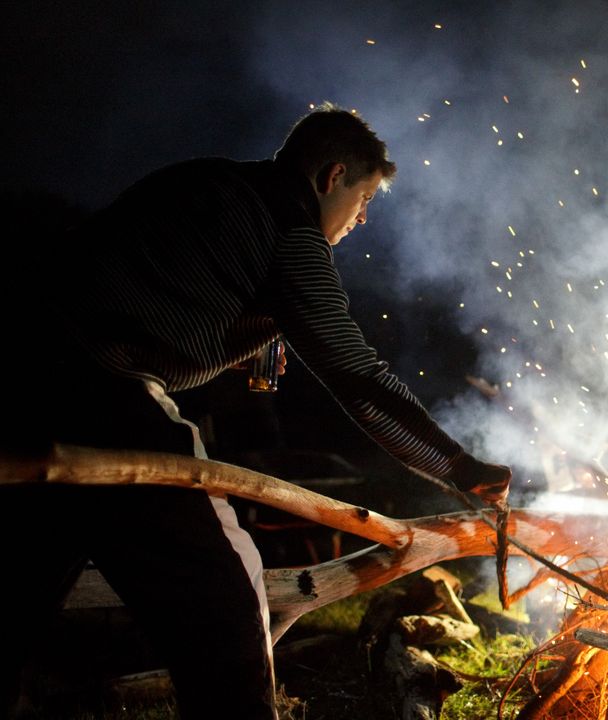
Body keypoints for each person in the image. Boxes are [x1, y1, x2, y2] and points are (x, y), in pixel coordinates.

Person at [0, 103, 511, 718]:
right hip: (94, 390)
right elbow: (358, 377)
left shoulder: (214, 182)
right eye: (365, 197)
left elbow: (168, 283)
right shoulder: (288, 227)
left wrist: (250, 334)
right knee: (225, 595)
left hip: (21, 371)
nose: (362, 219)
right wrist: (458, 468)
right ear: (331, 177)